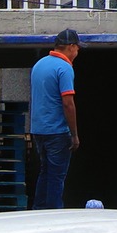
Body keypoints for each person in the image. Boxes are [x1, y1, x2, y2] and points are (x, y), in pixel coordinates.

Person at [27, 28, 79, 210]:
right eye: (77, 48)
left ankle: (38, 211)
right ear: (71, 47)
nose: (78, 52)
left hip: (38, 130)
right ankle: (54, 215)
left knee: (45, 172)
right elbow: (68, 104)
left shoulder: (39, 65)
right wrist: (74, 134)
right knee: (57, 177)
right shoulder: (64, 68)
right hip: (56, 131)